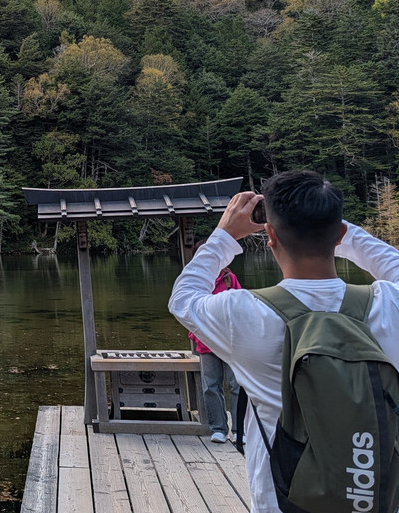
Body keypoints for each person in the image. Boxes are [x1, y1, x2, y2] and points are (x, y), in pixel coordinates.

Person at [168, 170, 399, 513]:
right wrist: (340, 229)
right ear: (338, 235)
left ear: (270, 236)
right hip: (376, 495)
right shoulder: (388, 304)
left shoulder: (243, 312)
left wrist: (224, 235)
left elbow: (183, 298)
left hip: (282, 497)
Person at [186, 266, 241, 443]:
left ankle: (240, 430)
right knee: (210, 386)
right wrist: (195, 334)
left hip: (230, 343)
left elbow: (241, 306)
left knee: (237, 386)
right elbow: (187, 310)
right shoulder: (196, 281)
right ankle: (218, 429)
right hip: (206, 343)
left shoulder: (229, 279)